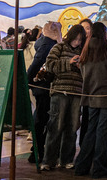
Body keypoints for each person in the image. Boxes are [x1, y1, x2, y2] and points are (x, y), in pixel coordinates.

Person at [73, 22, 107, 179]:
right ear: (104, 33)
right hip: (106, 97)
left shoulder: (85, 52)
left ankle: (81, 165)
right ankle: (99, 167)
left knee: (90, 131)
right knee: (103, 132)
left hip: (90, 97)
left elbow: (81, 68)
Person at [42, 24, 86, 171]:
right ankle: (48, 160)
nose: (77, 42)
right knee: (55, 125)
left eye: (80, 40)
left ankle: (66, 159)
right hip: (59, 91)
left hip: (76, 92)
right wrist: (68, 62)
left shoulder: (84, 51)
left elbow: (87, 73)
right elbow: (50, 65)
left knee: (72, 126)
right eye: (76, 38)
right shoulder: (59, 48)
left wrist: (82, 68)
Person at [27, 21, 60, 165]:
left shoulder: (41, 43)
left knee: (40, 119)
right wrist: (27, 79)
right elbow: (37, 63)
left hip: (39, 87)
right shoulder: (48, 45)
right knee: (42, 120)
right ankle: (37, 151)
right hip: (44, 87)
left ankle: (36, 150)